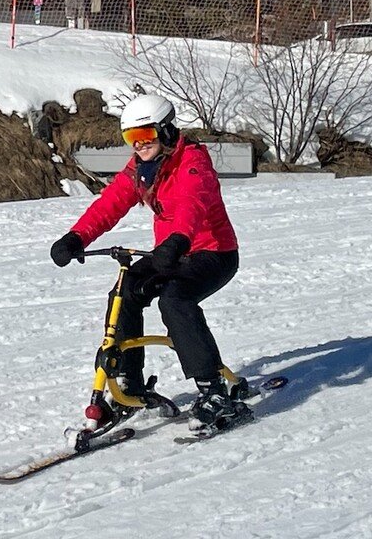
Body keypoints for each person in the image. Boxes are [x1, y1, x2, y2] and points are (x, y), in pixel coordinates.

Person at [49, 92, 247, 431]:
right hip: (170, 251)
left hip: (212, 252)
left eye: (145, 136)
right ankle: (128, 384)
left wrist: (178, 240)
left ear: (166, 131)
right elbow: (110, 203)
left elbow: (191, 205)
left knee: (175, 300)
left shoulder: (193, 163)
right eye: (131, 138)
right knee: (124, 292)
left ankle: (214, 391)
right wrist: (77, 237)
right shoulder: (142, 169)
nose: (138, 145)